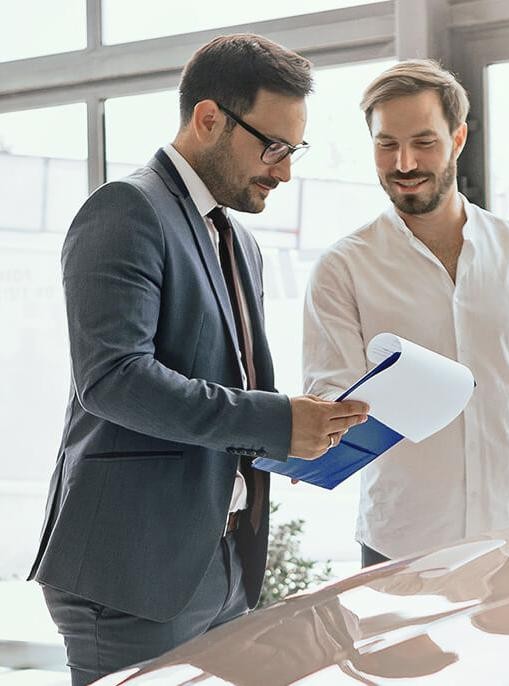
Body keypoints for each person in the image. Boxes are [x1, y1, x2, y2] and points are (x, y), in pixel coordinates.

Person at [28, 34, 370, 685]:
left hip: (224, 560)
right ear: (209, 118)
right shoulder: (125, 210)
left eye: (294, 150)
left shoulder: (239, 240)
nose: (285, 170)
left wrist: (296, 435)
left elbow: (222, 394)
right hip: (133, 572)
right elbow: (114, 379)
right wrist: (273, 421)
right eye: (273, 147)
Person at [302, 59, 509, 567]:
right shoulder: (343, 268)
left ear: (459, 137)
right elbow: (330, 401)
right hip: (400, 550)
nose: (404, 163)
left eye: (424, 142)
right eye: (387, 144)